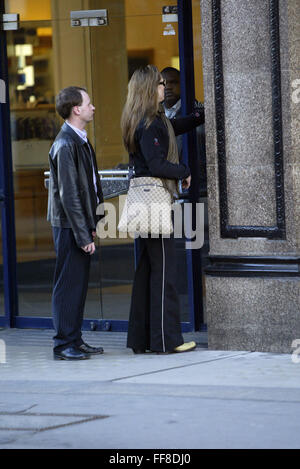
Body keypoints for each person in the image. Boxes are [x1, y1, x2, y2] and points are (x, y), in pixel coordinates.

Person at [121, 65, 205, 354]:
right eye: (159, 84)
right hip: (154, 203)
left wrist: (198, 116)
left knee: (147, 270)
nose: (164, 88)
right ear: (149, 89)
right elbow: (157, 163)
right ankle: (167, 341)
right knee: (165, 272)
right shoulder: (149, 123)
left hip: (144, 204)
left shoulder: (146, 120)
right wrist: (183, 170)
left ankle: (141, 339)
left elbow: (174, 128)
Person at [47, 86, 104, 360]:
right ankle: (63, 344)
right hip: (70, 227)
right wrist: (83, 235)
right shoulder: (66, 144)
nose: (93, 107)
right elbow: (69, 196)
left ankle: (74, 338)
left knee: (77, 285)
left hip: (78, 225)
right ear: (76, 109)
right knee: (68, 284)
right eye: (89, 103)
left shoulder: (79, 139)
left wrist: (91, 225)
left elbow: (88, 187)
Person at [161, 67, 206, 192]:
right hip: (166, 189)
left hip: (193, 188)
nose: (168, 87)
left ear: (183, 85)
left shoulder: (195, 113)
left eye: (173, 82)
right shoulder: (154, 114)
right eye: (164, 83)